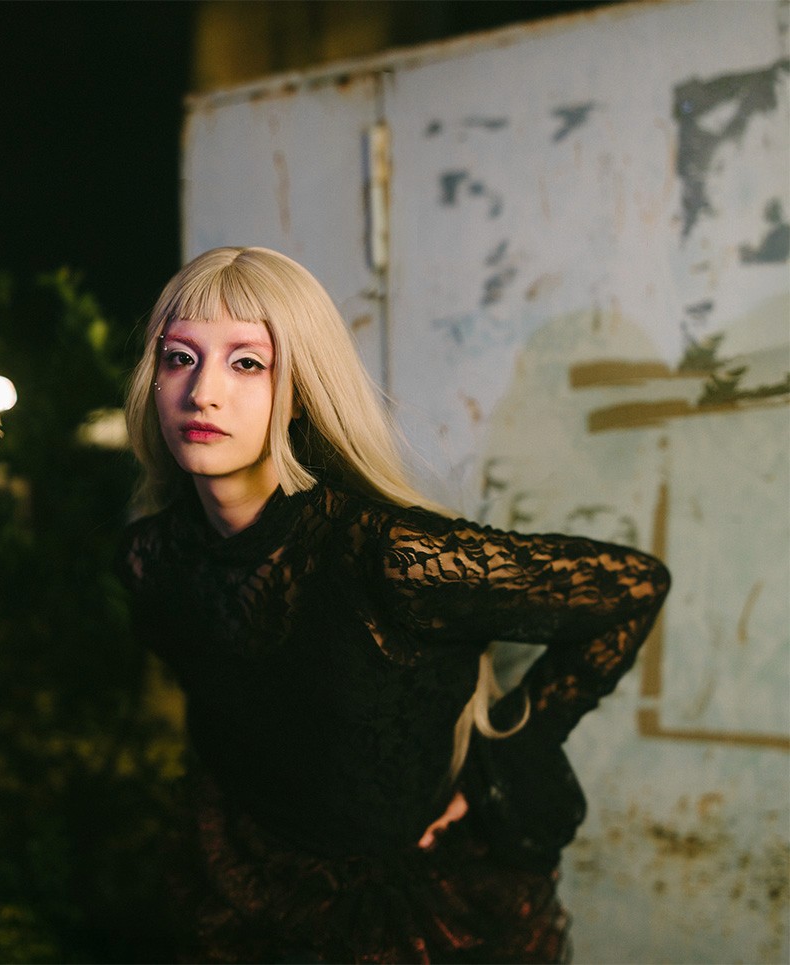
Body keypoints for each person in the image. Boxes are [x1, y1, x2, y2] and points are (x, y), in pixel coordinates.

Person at [120, 246, 670, 964]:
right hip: (243, 880)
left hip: (406, 910)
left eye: (248, 362)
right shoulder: (152, 559)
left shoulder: (390, 555)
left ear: (302, 389)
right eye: (180, 358)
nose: (203, 393)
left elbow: (635, 585)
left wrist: (506, 756)